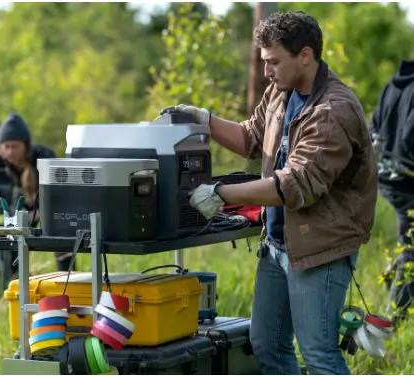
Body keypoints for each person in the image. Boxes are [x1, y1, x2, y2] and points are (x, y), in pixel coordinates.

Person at [162, 11, 378, 375]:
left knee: (319, 354)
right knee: (268, 346)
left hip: (320, 249)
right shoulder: (281, 92)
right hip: (278, 245)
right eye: (264, 62)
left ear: (305, 56)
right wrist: (206, 120)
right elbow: (251, 137)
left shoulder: (332, 112)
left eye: (274, 61)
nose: (267, 71)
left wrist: (222, 193)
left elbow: (296, 184)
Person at [0, 113, 76, 272]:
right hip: (22, 202)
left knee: (62, 242)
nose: (10, 152)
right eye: (6, 147)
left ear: (26, 145)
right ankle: (17, 281)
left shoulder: (44, 156)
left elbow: (58, 195)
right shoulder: (1, 161)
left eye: (15, 146)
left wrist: (36, 214)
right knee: (13, 238)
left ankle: (67, 279)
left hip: (51, 204)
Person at [370, 60, 414, 324]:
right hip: (407, 182)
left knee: (407, 245)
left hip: (385, 178)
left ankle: (393, 269)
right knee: (412, 250)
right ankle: (393, 323)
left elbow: (372, 129)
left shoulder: (395, 83)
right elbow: (410, 137)